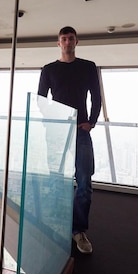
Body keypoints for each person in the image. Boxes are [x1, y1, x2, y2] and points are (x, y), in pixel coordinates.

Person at [38, 26, 101, 254]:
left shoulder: (87, 67)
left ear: (76, 42)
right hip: (56, 132)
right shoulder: (49, 69)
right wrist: (52, 120)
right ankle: (58, 225)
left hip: (81, 130)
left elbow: (96, 96)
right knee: (56, 180)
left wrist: (92, 121)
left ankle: (78, 230)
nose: (67, 42)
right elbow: (41, 100)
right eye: (63, 39)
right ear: (58, 43)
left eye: (71, 38)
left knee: (84, 181)